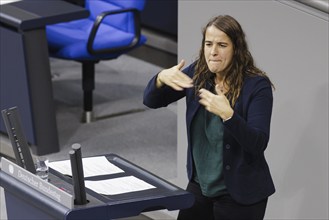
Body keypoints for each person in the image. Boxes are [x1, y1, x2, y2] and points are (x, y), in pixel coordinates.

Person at [143, 15, 275, 220]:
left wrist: (228, 115)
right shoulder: (198, 73)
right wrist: (160, 78)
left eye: (222, 45)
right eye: (208, 44)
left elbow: (257, 143)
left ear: (236, 49)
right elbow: (152, 101)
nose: (213, 51)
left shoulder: (257, 86)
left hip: (239, 193)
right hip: (200, 186)